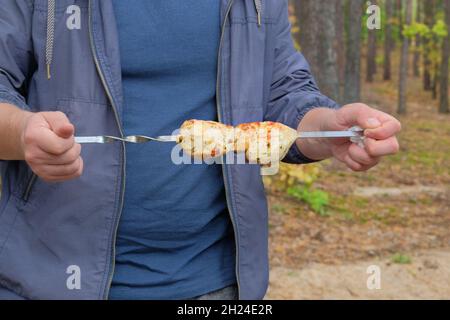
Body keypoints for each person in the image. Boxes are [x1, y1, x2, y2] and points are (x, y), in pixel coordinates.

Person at [0, 0, 400, 300]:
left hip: (216, 286)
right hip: (52, 281)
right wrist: (23, 133)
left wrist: (329, 127)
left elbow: (283, 95)